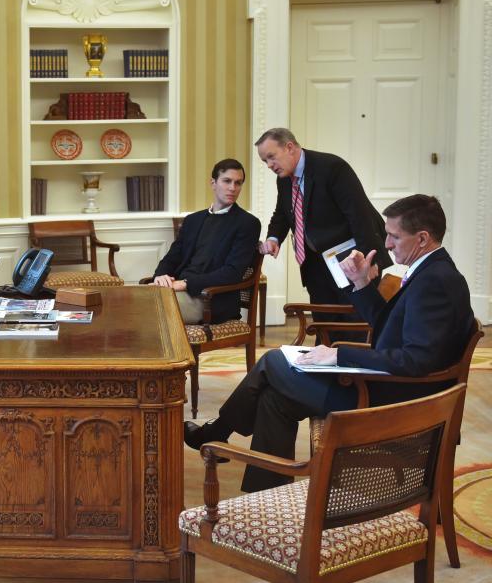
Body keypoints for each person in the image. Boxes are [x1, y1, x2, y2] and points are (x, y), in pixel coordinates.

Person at [184, 194, 474, 492]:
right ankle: (269, 495)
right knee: (274, 400)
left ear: (422, 238)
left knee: (273, 362)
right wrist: (361, 283)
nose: (386, 244)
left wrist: (339, 355)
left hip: (392, 403)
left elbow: (415, 361)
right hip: (384, 387)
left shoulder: (435, 282)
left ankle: (218, 432)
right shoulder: (431, 273)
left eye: (394, 236)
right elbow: (390, 328)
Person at [256, 127, 391, 335]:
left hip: (351, 255)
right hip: (315, 260)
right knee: (324, 321)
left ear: (289, 147)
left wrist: (369, 260)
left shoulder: (332, 167)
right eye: (265, 161)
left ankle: (354, 361)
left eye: (271, 157)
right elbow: (283, 213)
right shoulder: (283, 179)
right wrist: (274, 238)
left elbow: (359, 215)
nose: (269, 165)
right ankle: (325, 361)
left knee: (354, 320)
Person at [150, 159, 261, 323]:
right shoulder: (193, 220)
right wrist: (161, 276)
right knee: (135, 303)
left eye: (238, 183)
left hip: (211, 299)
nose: (232, 188)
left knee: (149, 310)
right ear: (213, 183)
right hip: (178, 291)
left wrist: (186, 284)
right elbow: (172, 257)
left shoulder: (248, 223)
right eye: (227, 181)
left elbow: (232, 273)